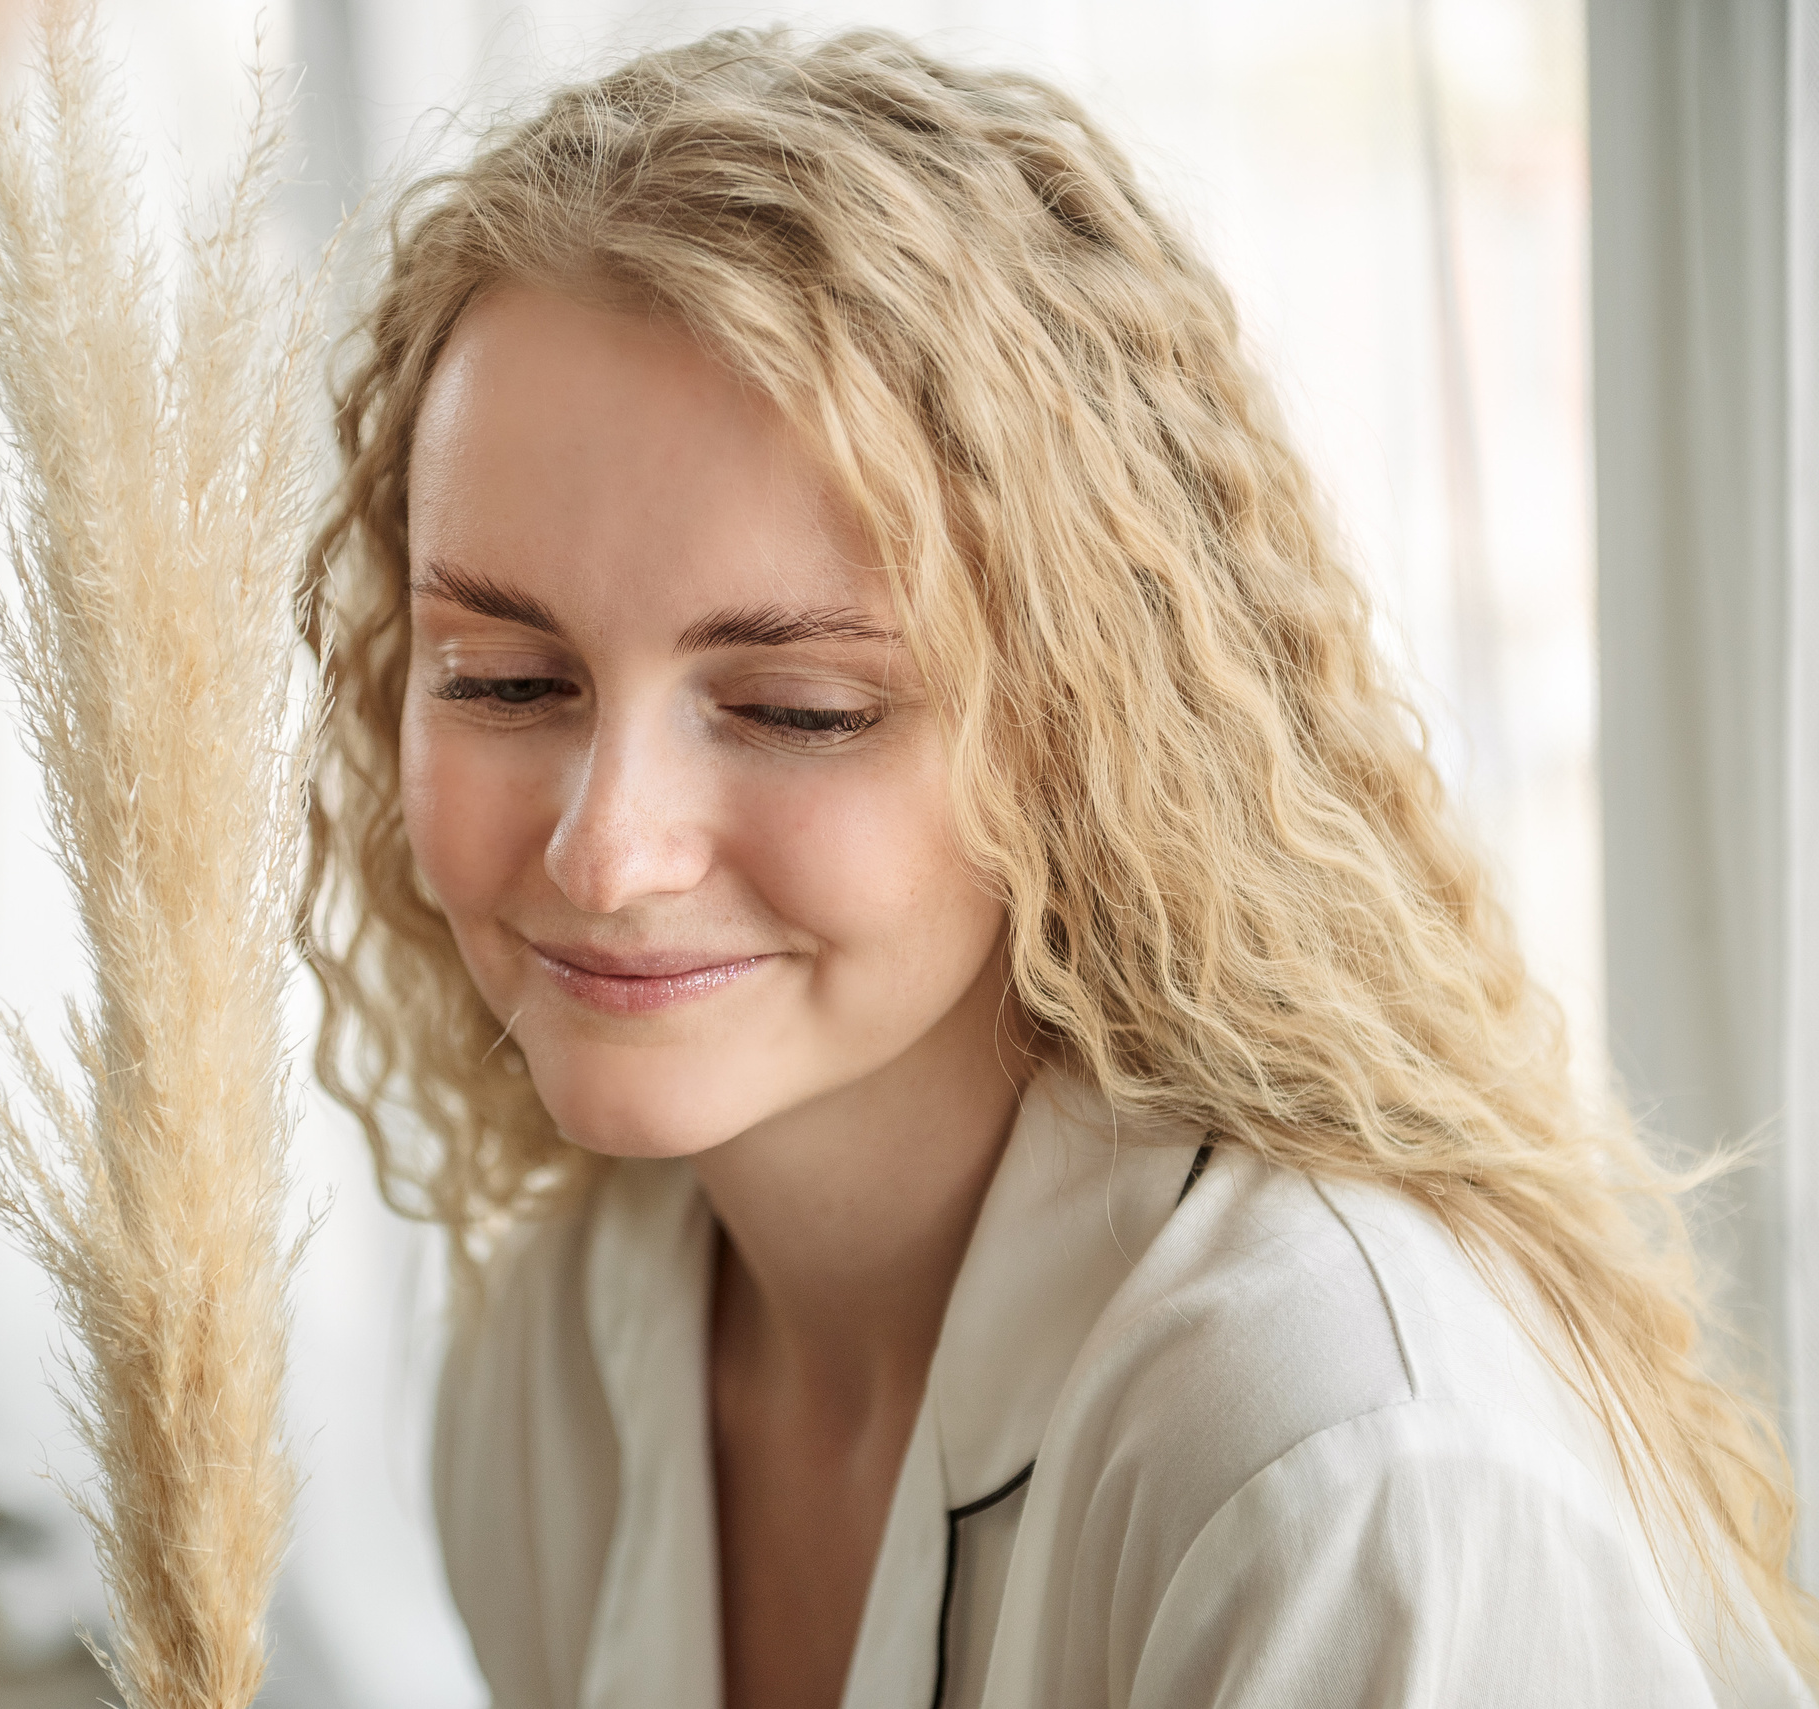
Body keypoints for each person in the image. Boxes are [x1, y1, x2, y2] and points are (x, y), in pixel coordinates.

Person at [299, 27, 1814, 1709]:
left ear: (1086, 735)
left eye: (801, 707)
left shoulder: (1340, 1471)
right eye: (503, 680)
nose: (605, 848)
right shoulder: (551, 1370)